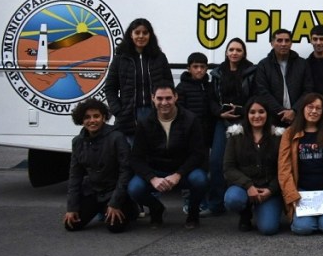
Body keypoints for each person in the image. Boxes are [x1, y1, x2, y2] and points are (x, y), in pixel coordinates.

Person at [127, 84, 208, 228]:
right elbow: (135, 158)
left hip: (182, 171)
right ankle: (156, 209)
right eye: (160, 98)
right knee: (134, 188)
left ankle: (193, 214)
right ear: (152, 99)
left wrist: (178, 174)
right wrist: (152, 178)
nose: (164, 103)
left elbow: (198, 154)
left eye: (168, 98)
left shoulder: (191, 120)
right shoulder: (145, 123)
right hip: (156, 172)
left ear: (176, 97)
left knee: (200, 180)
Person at [278, 93, 323, 235]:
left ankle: (322, 217)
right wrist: (292, 195)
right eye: (310, 107)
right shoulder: (290, 133)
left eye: (318, 108)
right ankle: (313, 218)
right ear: (303, 108)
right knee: (303, 228)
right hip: (302, 192)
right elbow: (284, 168)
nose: (314, 111)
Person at [63, 99, 137, 233]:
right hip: (92, 192)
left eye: (96, 116)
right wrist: (71, 208)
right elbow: (75, 177)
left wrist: (115, 203)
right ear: (81, 120)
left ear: (103, 117)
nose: (92, 121)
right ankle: (101, 210)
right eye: (87, 117)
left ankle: (130, 210)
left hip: (114, 192)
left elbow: (126, 171)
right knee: (71, 225)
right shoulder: (77, 142)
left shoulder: (117, 137)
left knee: (115, 227)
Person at [209, 38, 258, 216]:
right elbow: (211, 99)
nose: (234, 53)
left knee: (247, 162)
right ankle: (215, 204)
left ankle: (248, 205)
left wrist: (245, 111)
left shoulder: (252, 72)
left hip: (246, 122)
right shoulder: (217, 73)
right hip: (222, 122)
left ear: (244, 52)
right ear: (226, 52)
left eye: (238, 50)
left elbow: (256, 96)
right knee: (216, 162)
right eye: (231, 49)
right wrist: (219, 113)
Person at [103, 18, 172, 140]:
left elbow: (169, 85)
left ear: (150, 35)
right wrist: (119, 111)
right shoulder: (120, 59)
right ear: (131, 34)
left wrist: (165, 107)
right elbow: (110, 88)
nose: (141, 36)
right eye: (137, 32)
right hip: (129, 114)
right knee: (131, 154)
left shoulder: (159, 57)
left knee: (155, 154)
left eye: (145, 33)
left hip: (155, 112)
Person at [223, 97, 284, 235]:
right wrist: (249, 186)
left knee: (269, 229)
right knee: (233, 199)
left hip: (269, 189)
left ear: (267, 114)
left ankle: (264, 209)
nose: (257, 116)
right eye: (252, 112)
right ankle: (245, 214)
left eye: (261, 112)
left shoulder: (278, 137)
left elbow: (284, 169)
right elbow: (228, 168)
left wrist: (271, 189)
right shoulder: (235, 135)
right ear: (247, 114)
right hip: (243, 188)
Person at [175, 51, 220, 216]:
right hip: (188, 139)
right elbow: (178, 113)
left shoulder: (209, 87)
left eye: (202, 67)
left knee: (204, 171)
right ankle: (188, 201)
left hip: (206, 137)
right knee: (187, 170)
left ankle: (203, 201)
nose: (199, 70)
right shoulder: (182, 88)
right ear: (189, 68)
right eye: (195, 67)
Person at [255, 28, 314, 127]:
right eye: (279, 40)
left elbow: (308, 90)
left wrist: (294, 110)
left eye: (287, 40)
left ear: (291, 43)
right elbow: (263, 92)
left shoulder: (302, 64)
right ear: (272, 43)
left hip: (299, 118)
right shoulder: (264, 65)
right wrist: (282, 112)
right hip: (273, 119)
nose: (283, 44)